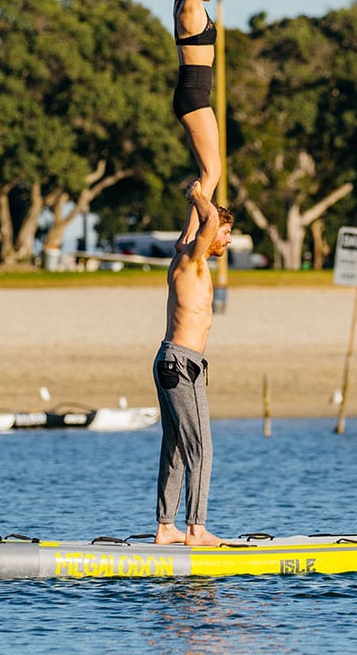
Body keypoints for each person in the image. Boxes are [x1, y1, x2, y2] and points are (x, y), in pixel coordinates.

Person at [152, 180, 233, 546]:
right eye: (226, 234)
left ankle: (165, 528)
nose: (227, 242)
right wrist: (200, 196)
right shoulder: (192, 260)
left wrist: (203, 181)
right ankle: (196, 530)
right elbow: (209, 220)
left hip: (177, 363)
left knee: (176, 447)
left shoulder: (186, 255)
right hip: (180, 364)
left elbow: (195, 227)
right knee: (201, 446)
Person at [172, 0, 236, 249]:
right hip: (195, 96)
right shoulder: (192, 6)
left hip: (191, 93)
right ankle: (189, 237)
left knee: (211, 170)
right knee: (212, 171)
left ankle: (190, 234)